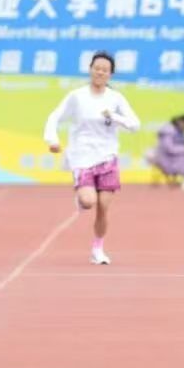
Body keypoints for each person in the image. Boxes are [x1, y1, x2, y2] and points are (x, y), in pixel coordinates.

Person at [44, 51, 141, 265]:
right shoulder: (77, 96)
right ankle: (81, 197)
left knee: (103, 207)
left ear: (110, 74)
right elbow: (55, 117)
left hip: (107, 157)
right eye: (97, 68)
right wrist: (52, 139)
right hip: (82, 156)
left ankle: (98, 249)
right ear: (90, 69)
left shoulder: (115, 98)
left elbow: (135, 124)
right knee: (89, 201)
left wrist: (114, 117)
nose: (100, 72)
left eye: (105, 70)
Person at [149, 114, 184, 189]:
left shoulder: (181, 131)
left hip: (175, 155)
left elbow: (182, 145)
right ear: (182, 122)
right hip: (165, 157)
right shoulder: (168, 131)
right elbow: (169, 149)